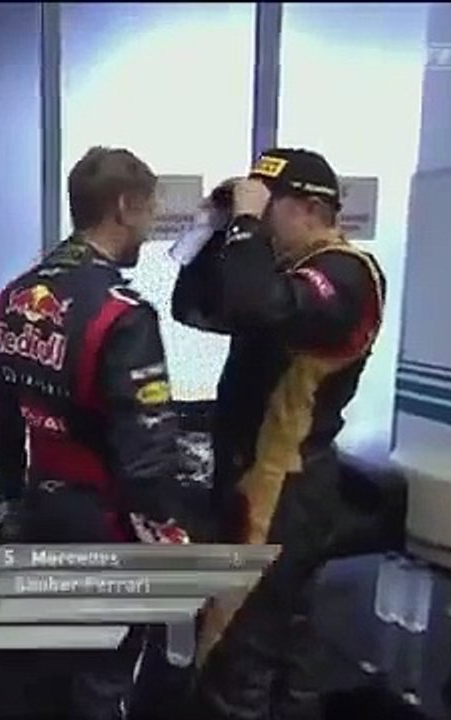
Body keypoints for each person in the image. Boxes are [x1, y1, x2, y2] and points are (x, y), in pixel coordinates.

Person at [0, 146, 200, 719]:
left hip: (38, 510)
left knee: (45, 679)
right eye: (149, 211)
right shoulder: (122, 312)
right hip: (104, 520)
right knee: (106, 682)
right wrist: (168, 527)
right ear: (124, 206)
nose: (149, 227)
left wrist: (14, 496)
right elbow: (147, 449)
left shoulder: (15, 295)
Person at [171, 148, 387, 720]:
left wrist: (246, 225)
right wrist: (215, 229)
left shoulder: (349, 273)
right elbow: (192, 309)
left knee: (233, 645)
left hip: (283, 486)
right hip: (250, 478)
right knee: (281, 643)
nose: (262, 220)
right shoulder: (281, 272)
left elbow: (253, 303)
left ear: (312, 209)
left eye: (271, 207)